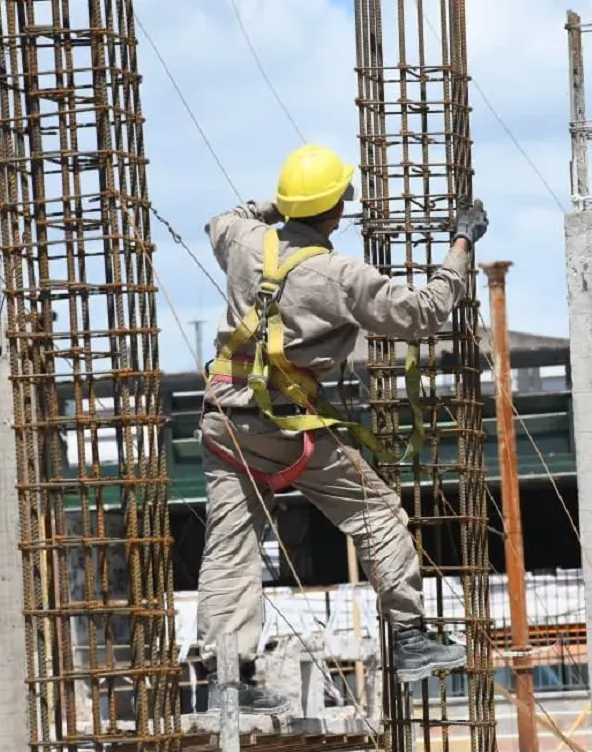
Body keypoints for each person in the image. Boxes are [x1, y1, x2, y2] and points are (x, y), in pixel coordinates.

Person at [197, 143, 490, 713]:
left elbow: (222, 218)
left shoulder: (241, 241)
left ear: (286, 204)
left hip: (225, 422)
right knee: (377, 513)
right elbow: (423, 312)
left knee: (230, 547)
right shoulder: (339, 274)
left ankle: (228, 683)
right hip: (287, 423)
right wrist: (461, 244)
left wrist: (278, 208)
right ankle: (408, 637)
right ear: (337, 211)